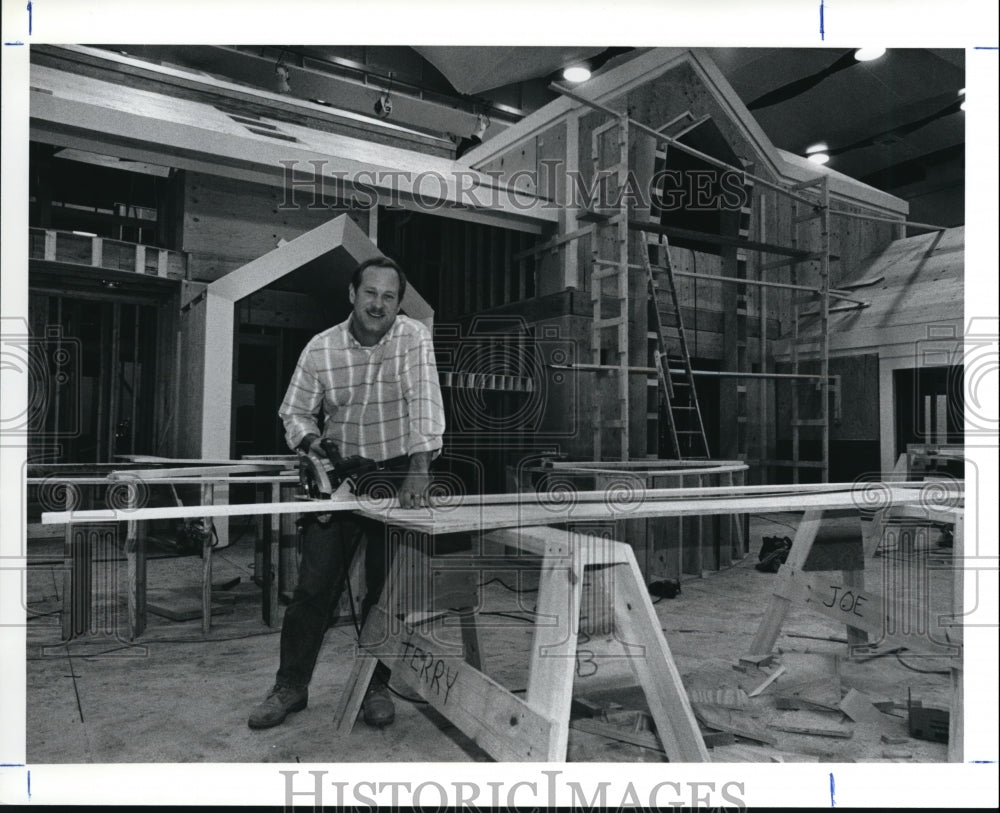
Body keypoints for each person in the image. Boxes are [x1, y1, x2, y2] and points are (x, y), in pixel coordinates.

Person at [248, 256, 445, 730]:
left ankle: (375, 685)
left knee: (386, 590)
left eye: (389, 296)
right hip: (341, 471)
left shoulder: (413, 337)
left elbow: (425, 402)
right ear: (352, 295)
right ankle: (290, 686)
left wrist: (419, 469)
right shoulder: (320, 348)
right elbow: (293, 413)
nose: (378, 304)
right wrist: (313, 441)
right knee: (314, 586)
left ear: (399, 303)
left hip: (398, 471)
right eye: (370, 293)